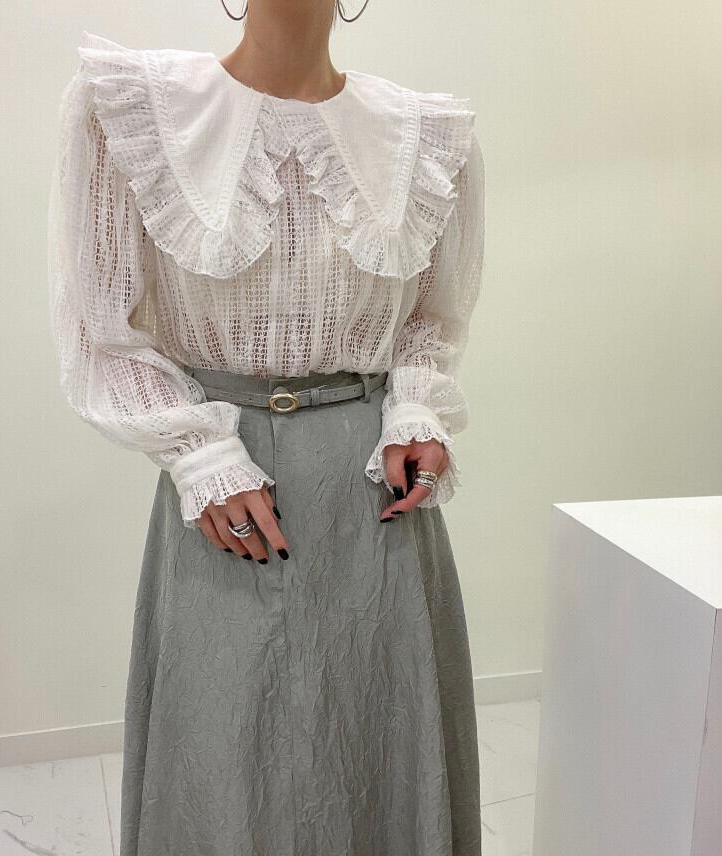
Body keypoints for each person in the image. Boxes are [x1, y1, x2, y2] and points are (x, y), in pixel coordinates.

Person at [47, 2, 485, 853]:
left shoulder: (424, 137)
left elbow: (432, 323)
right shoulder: (135, 111)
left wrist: (417, 414)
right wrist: (201, 456)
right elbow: (101, 330)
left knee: (376, 748)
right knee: (225, 750)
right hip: (228, 496)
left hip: (373, 496)